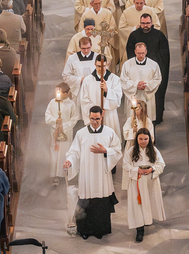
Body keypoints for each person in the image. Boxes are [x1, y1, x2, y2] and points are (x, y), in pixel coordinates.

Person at [63, 106, 123, 239]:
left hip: (102, 174)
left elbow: (118, 150)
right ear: (88, 117)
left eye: (97, 119)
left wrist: (106, 151)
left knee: (100, 203)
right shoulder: (81, 133)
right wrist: (69, 161)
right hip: (86, 174)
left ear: (102, 117)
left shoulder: (109, 132)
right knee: (86, 202)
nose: (94, 122)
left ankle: (99, 230)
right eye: (92, 119)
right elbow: (74, 151)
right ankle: (85, 230)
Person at [125, 13, 171, 123]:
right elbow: (130, 53)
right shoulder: (134, 36)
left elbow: (165, 55)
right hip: (137, 71)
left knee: (156, 96)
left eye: (147, 23)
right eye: (143, 23)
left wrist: (152, 65)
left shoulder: (159, 36)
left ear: (152, 23)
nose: (145, 25)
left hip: (153, 71)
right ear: (140, 23)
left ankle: (156, 117)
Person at [124, 128, 166, 242]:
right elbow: (126, 165)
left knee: (149, 202)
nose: (143, 141)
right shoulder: (132, 151)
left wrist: (152, 169)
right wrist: (137, 170)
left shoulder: (154, 150)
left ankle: (147, 220)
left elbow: (161, 164)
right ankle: (139, 230)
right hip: (137, 180)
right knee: (138, 205)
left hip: (150, 181)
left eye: (146, 139)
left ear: (150, 139)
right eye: (141, 139)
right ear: (137, 139)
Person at [78, 53, 123, 135]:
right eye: (99, 66)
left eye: (103, 66)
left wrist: (107, 91)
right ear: (95, 64)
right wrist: (96, 111)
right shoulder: (87, 80)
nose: (101, 69)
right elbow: (84, 100)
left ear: (107, 65)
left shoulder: (115, 79)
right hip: (94, 116)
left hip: (109, 115)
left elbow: (118, 98)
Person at [45, 83, 80, 181]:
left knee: (65, 152)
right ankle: (54, 175)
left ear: (67, 93)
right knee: (54, 152)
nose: (57, 94)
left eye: (60, 92)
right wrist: (56, 121)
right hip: (55, 131)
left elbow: (74, 119)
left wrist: (63, 126)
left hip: (66, 132)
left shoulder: (71, 104)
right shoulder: (52, 102)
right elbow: (47, 116)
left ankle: (64, 172)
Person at [120, 42, 162, 121]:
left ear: (146, 51)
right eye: (139, 53)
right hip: (133, 96)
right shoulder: (127, 64)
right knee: (132, 120)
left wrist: (146, 85)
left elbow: (157, 79)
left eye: (143, 53)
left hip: (146, 96)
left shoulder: (153, 65)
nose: (141, 55)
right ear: (135, 51)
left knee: (146, 119)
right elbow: (123, 80)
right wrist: (136, 85)